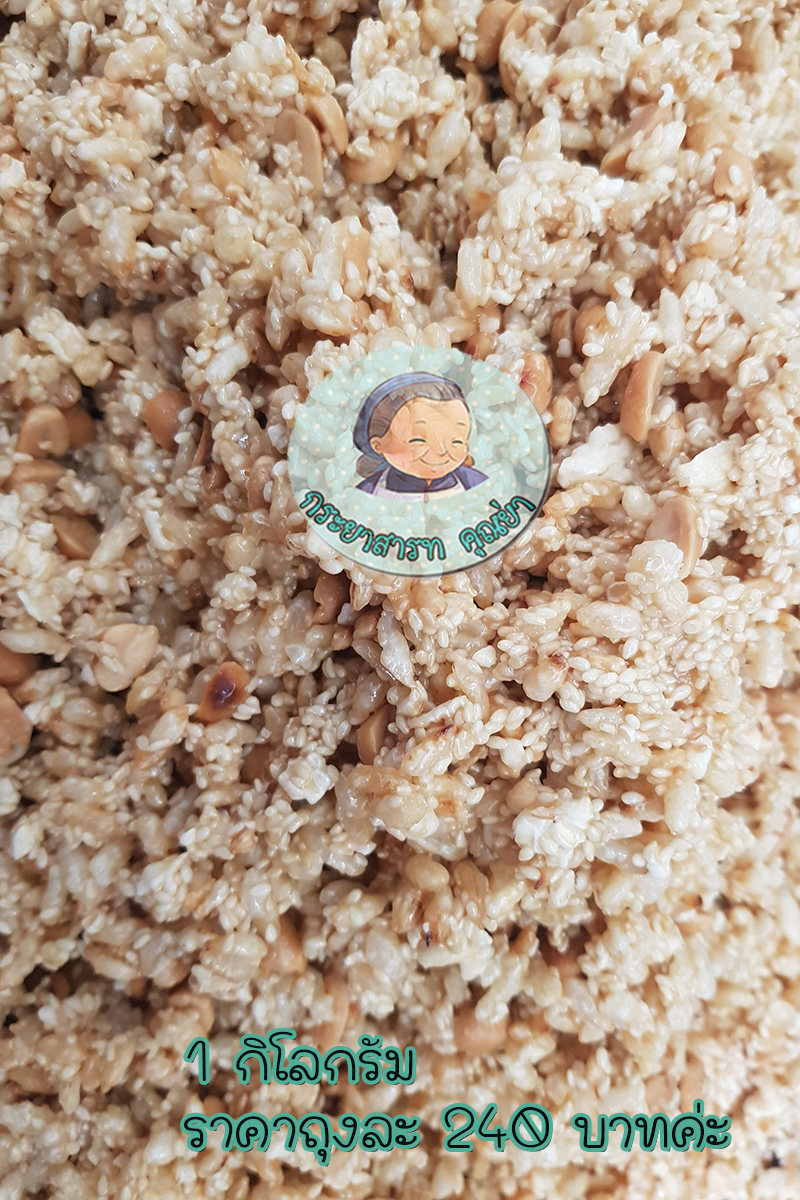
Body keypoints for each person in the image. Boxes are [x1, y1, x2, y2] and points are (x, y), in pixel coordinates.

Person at [353, 372, 488, 498]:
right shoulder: (367, 491)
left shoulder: (474, 482)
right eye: (418, 440)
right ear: (378, 445)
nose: (441, 451)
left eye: (456, 442)